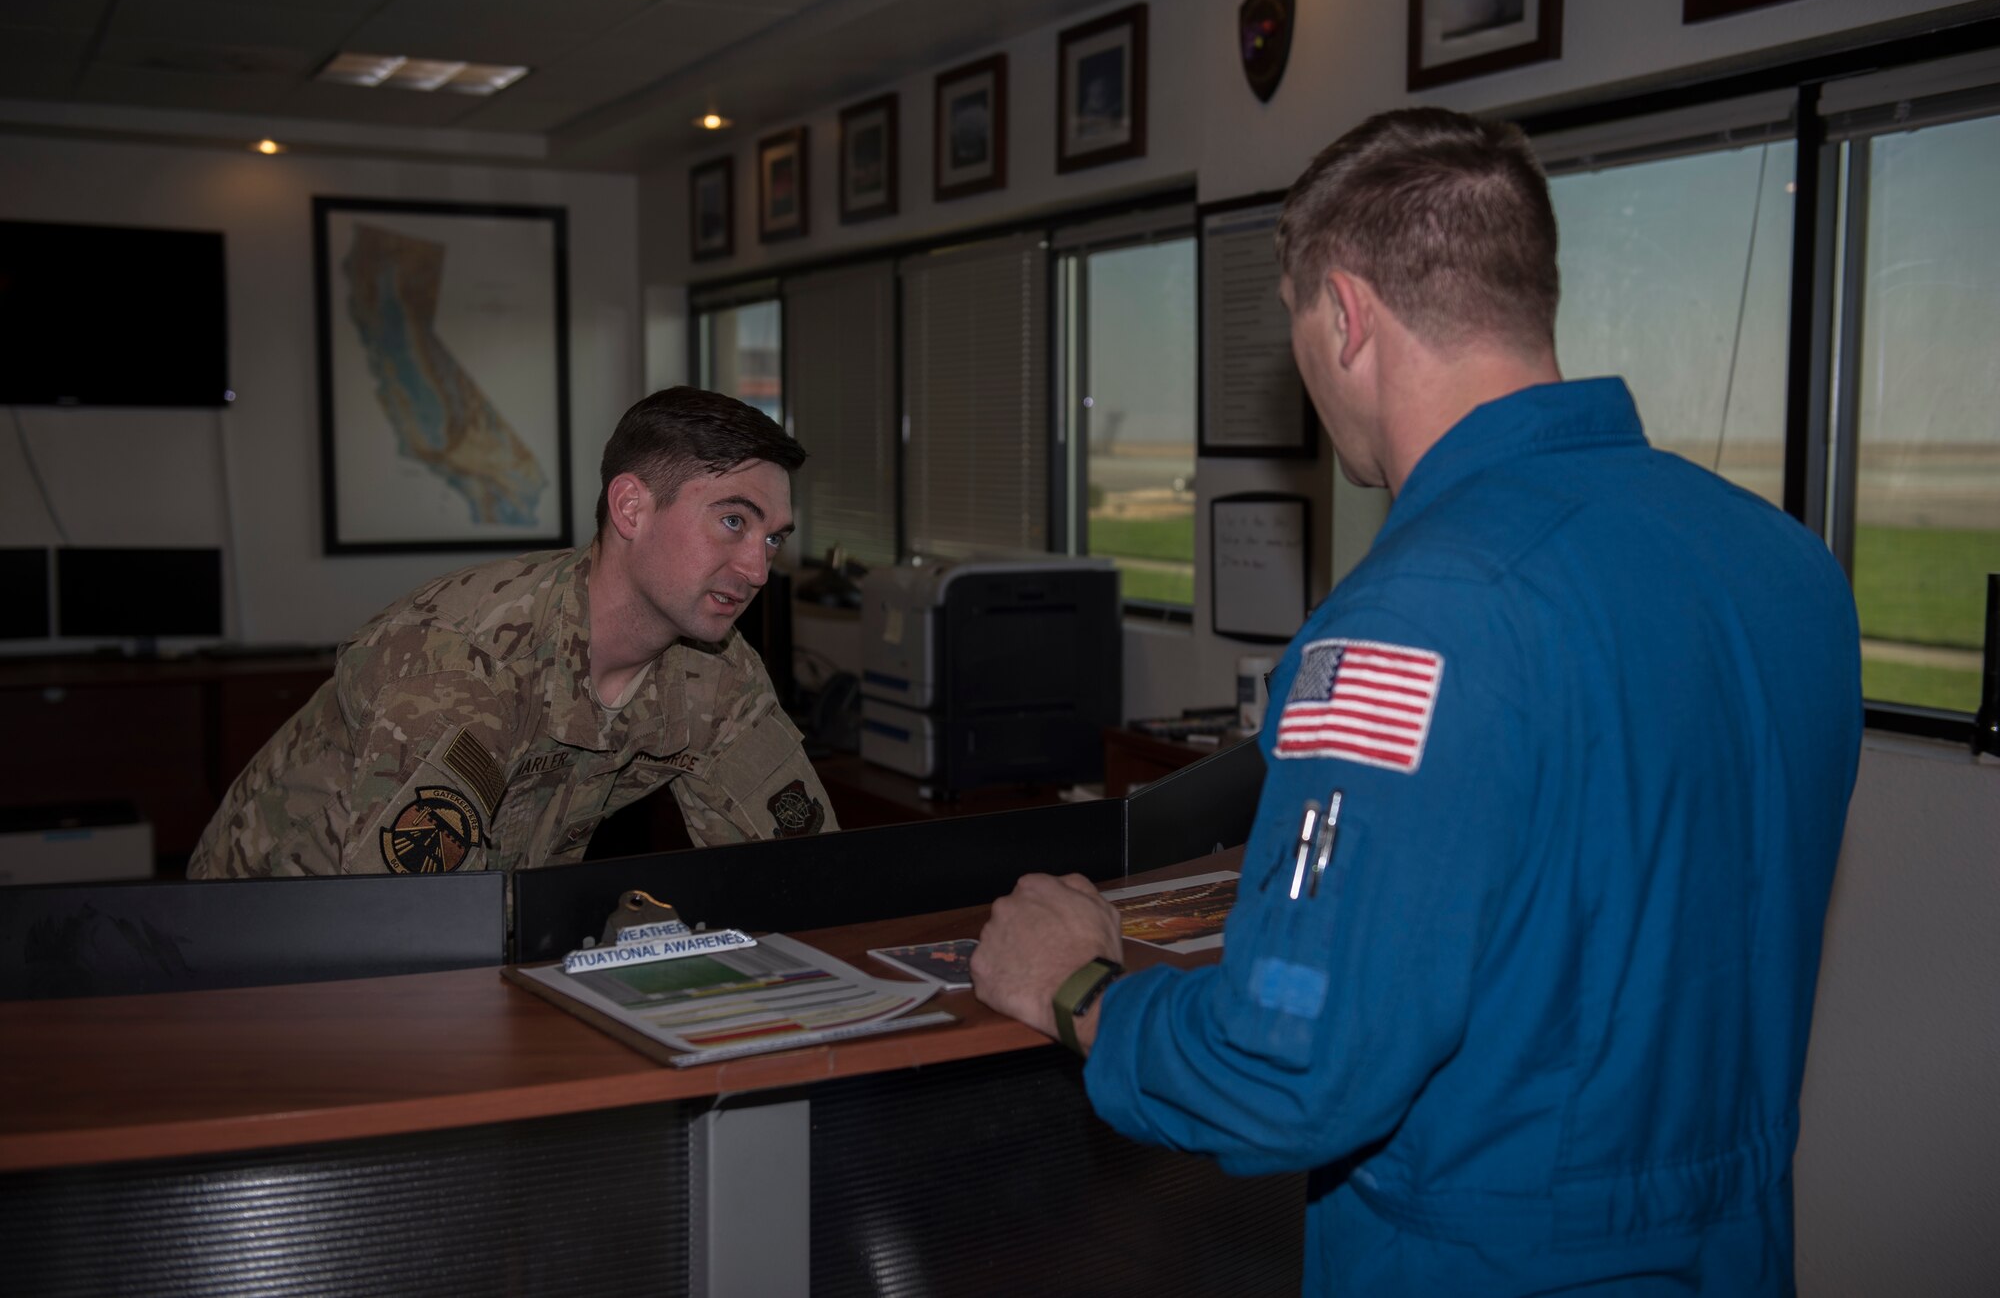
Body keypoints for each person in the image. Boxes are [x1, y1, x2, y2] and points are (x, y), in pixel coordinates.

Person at [972, 108, 1862, 1294]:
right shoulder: (1786, 566)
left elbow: (1291, 1062)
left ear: (1343, 317)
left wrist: (1078, 986)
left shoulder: (1411, 617)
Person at [189, 387, 835, 879]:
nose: (756, 568)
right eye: (732, 521)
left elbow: (807, 875)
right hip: (265, 941)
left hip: (476, 939)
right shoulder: (460, 663)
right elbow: (407, 926)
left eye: (772, 537)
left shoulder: (716, 670)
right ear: (632, 508)